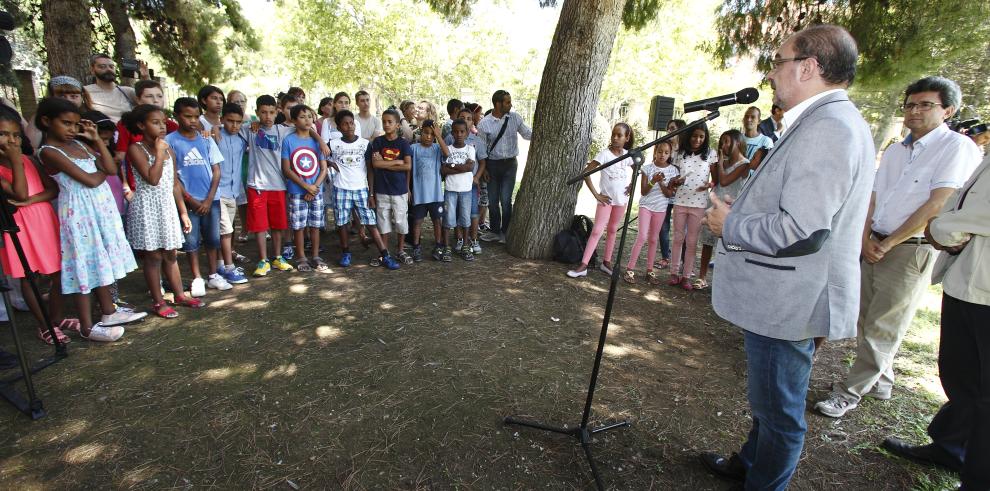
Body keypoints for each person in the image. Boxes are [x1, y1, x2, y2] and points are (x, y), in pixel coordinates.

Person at [700, 25, 875, 490]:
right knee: (769, 401)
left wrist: (730, 226)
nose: (772, 73)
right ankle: (751, 463)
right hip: (784, 289)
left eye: (778, 61)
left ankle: (764, 481)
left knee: (780, 412)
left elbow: (804, 231)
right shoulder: (822, 122)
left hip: (790, 299)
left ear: (808, 67)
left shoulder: (830, 129)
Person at [814, 76, 981, 418]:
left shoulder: (956, 147)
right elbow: (871, 198)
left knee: (884, 325)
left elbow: (937, 204)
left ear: (947, 110)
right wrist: (865, 238)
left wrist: (889, 242)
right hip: (875, 242)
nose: (914, 111)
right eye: (910, 104)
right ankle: (880, 380)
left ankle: (850, 391)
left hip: (910, 249)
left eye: (925, 105)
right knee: (864, 319)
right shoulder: (896, 149)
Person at [880, 152, 990, 491]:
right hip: (965, 283)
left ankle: (978, 480)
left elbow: (964, 215)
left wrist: (943, 226)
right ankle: (950, 447)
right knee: (961, 377)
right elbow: (962, 198)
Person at [36, 97, 147, 341]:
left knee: (101, 259)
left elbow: (109, 166)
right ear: (46, 121)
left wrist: (96, 139)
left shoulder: (81, 144)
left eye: (76, 124)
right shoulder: (49, 151)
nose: (72, 130)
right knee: (85, 264)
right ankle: (87, 326)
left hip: (101, 210)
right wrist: (102, 171)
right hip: (79, 213)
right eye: (66, 123)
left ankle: (109, 312)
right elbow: (92, 179)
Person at [122, 104, 203, 318]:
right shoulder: (135, 149)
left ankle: (179, 294)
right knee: (153, 257)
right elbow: (152, 178)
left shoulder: (168, 149)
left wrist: (183, 212)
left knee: (171, 254)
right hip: (147, 208)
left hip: (166, 206)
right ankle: (158, 301)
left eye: (163, 122)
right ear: (141, 125)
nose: (162, 126)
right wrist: (158, 153)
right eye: (155, 122)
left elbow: (174, 183)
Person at [0, 106, 73, 344]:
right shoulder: (9, 165)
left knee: (58, 273)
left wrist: (31, 200)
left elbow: (51, 189)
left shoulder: (30, 160)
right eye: (3, 134)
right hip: (19, 228)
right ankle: (44, 327)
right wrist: (15, 162)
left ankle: (56, 318)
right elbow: (19, 193)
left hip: (43, 221)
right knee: (29, 277)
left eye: (15, 135)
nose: (11, 141)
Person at [165, 97, 231, 296]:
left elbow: (216, 170)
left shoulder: (205, 139)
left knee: (212, 239)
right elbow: (173, 177)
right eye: (187, 116)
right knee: (191, 241)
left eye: (196, 117)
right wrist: (190, 200)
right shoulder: (170, 141)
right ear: (177, 116)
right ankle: (197, 278)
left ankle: (212, 275)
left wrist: (210, 199)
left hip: (211, 199)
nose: (192, 121)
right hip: (188, 201)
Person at [327, 110, 396, 269]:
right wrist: (330, 163)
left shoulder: (365, 144)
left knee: (371, 222)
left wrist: (371, 192)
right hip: (341, 189)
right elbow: (320, 156)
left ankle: (385, 254)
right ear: (339, 127)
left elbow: (370, 169)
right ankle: (346, 252)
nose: (349, 126)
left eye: (351, 122)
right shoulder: (333, 144)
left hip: (361, 189)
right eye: (345, 123)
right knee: (342, 223)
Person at [566, 123, 634, 278]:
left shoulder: (627, 155)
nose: (615, 138)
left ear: (627, 138)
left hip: (620, 201)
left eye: (619, 135)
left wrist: (631, 185)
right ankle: (583, 265)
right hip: (606, 200)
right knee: (597, 231)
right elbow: (586, 173)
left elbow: (639, 169)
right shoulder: (605, 154)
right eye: (614, 134)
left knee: (612, 230)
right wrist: (596, 195)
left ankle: (606, 262)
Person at [695, 130, 750, 289]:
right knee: (707, 242)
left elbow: (725, 181)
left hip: (729, 207)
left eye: (727, 142)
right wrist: (715, 167)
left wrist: (719, 164)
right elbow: (718, 181)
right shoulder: (723, 162)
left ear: (737, 143)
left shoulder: (744, 164)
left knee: (726, 245)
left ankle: (723, 282)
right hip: (714, 203)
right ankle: (702, 277)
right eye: (721, 142)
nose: (723, 146)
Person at [280, 104, 330, 272]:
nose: (307, 120)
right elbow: (286, 169)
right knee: (299, 226)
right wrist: (305, 187)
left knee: (315, 225)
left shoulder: (317, 142)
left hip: (316, 190)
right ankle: (301, 256)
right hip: (297, 191)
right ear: (293, 120)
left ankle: (315, 255)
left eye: (309, 116)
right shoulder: (288, 140)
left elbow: (323, 168)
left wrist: (314, 187)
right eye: (302, 117)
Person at [478, 90, 532, 243]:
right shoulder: (485, 123)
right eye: (507, 102)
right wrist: (485, 169)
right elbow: (481, 149)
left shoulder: (514, 118)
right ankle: (495, 231)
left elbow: (527, 134)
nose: (511, 104)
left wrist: (545, 133)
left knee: (506, 199)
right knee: (493, 201)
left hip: (510, 164)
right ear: (497, 104)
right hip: (492, 165)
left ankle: (506, 232)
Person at [666, 123, 716, 290]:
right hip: (680, 201)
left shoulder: (710, 154)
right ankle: (674, 273)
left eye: (701, 136)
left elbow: (715, 180)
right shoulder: (680, 154)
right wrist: (676, 181)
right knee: (678, 238)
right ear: (689, 136)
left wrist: (708, 185)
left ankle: (686, 276)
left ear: (705, 137)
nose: (697, 140)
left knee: (692, 241)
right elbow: (672, 177)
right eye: (694, 136)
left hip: (699, 203)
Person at [623, 140, 678, 284]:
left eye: (666, 152)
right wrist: (654, 180)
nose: (662, 155)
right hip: (646, 207)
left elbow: (669, 194)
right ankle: (629, 269)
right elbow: (644, 191)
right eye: (660, 151)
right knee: (641, 237)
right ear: (655, 152)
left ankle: (649, 270)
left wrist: (661, 183)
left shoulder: (673, 171)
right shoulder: (647, 168)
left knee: (654, 239)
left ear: (670, 154)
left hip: (661, 209)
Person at [115, 79, 178, 202]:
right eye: (149, 96)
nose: (155, 100)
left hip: (165, 195)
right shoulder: (126, 126)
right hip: (140, 190)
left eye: (159, 96)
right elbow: (120, 158)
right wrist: (125, 186)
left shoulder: (168, 125)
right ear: (138, 99)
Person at [368, 108, 413, 268]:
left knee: (401, 221)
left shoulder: (403, 143)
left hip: (399, 190)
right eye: (384, 122)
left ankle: (400, 250)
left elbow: (408, 166)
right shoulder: (378, 142)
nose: (386, 125)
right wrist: (397, 162)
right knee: (383, 222)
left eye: (390, 122)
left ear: (397, 125)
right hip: (382, 190)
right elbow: (375, 164)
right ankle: (384, 252)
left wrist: (385, 164)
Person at [213, 103, 250, 285]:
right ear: (222, 120)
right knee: (226, 231)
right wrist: (213, 129)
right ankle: (229, 268)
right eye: (230, 121)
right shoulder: (215, 137)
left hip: (234, 191)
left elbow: (255, 125)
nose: (234, 126)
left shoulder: (242, 138)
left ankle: (220, 263)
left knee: (227, 231)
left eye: (238, 122)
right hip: (218, 192)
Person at [445, 107, 487, 255]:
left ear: (472, 122)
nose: (465, 121)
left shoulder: (476, 141)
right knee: (456, 212)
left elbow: (480, 162)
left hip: (470, 183)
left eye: (469, 119)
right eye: (462, 118)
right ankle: (459, 239)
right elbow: (444, 163)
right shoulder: (450, 140)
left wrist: (476, 177)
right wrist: (459, 167)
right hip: (454, 184)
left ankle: (473, 239)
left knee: (472, 212)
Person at [409, 120, 450, 262]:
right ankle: (416, 247)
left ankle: (438, 246)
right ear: (421, 132)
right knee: (417, 221)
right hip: (419, 194)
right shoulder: (414, 148)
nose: (428, 137)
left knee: (437, 221)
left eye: (432, 134)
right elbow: (408, 169)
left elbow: (447, 153)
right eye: (426, 133)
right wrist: (408, 189)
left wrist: (439, 136)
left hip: (435, 194)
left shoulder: (437, 148)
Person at [441, 119, 476, 261]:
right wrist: (461, 166)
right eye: (456, 131)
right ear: (452, 133)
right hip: (450, 189)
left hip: (466, 190)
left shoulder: (470, 149)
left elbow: (470, 168)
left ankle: (466, 246)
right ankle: (447, 247)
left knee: (465, 218)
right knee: (448, 219)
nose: (459, 134)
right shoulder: (448, 149)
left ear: (467, 133)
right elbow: (443, 169)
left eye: (462, 131)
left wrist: (453, 165)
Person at [656, 118, 686, 271]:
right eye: (668, 128)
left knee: (681, 229)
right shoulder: (663, 148)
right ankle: (665, 257)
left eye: (673, 128)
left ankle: (683, 261)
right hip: (665, 194)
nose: (669, 131)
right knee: (663, 226)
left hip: (681, 195)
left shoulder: (685, 150)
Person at [83, 53, 136, 123]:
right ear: (92, 70)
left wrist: (146, 77)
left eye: (111, 67)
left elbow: (148, 105)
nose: (108, 69)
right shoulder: (86, 91)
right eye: (102, 67)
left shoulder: (128, 91)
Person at [742, 106, 774, 171]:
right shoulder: (737, 139)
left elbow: (768, 166)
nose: (749, 119)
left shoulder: (766, 141)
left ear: (759, 121)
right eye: (746, 116)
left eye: (753, 117)